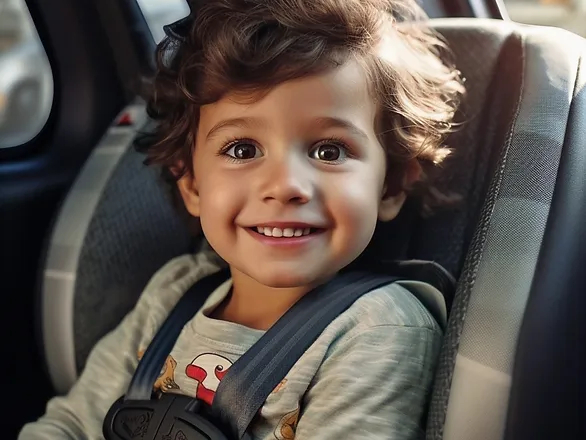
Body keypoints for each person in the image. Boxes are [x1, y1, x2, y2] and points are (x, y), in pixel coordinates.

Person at [19, 0, 464, 438]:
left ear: (390, 188)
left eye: (329, 151)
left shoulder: (378, 329)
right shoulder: (174, 293)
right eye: (242, 150)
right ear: (192, 184)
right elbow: (72, 424)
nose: (286, 184)